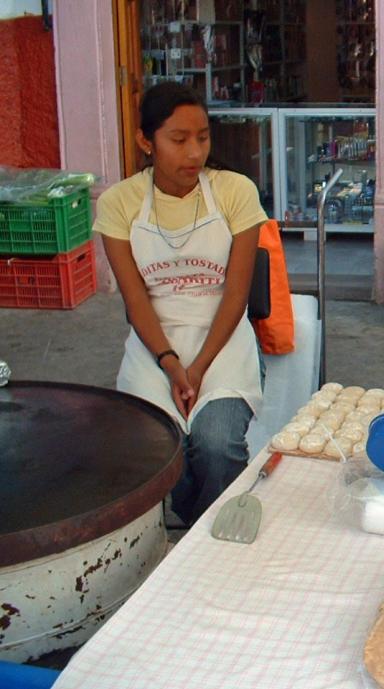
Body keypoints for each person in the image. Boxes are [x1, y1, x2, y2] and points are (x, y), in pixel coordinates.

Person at [94, 82, 268, 524]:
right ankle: (191, 527)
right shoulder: (120, 203)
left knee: (215, 446)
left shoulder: (235, 192)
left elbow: (236, 294)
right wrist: (172, 365)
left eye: (203, 137)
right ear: (144, 141)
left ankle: (205, 537)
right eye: (178, 139)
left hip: (223, 343)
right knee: (159, 448)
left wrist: (198, 367)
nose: (194, 153)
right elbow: (136, 301)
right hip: (155, 346)